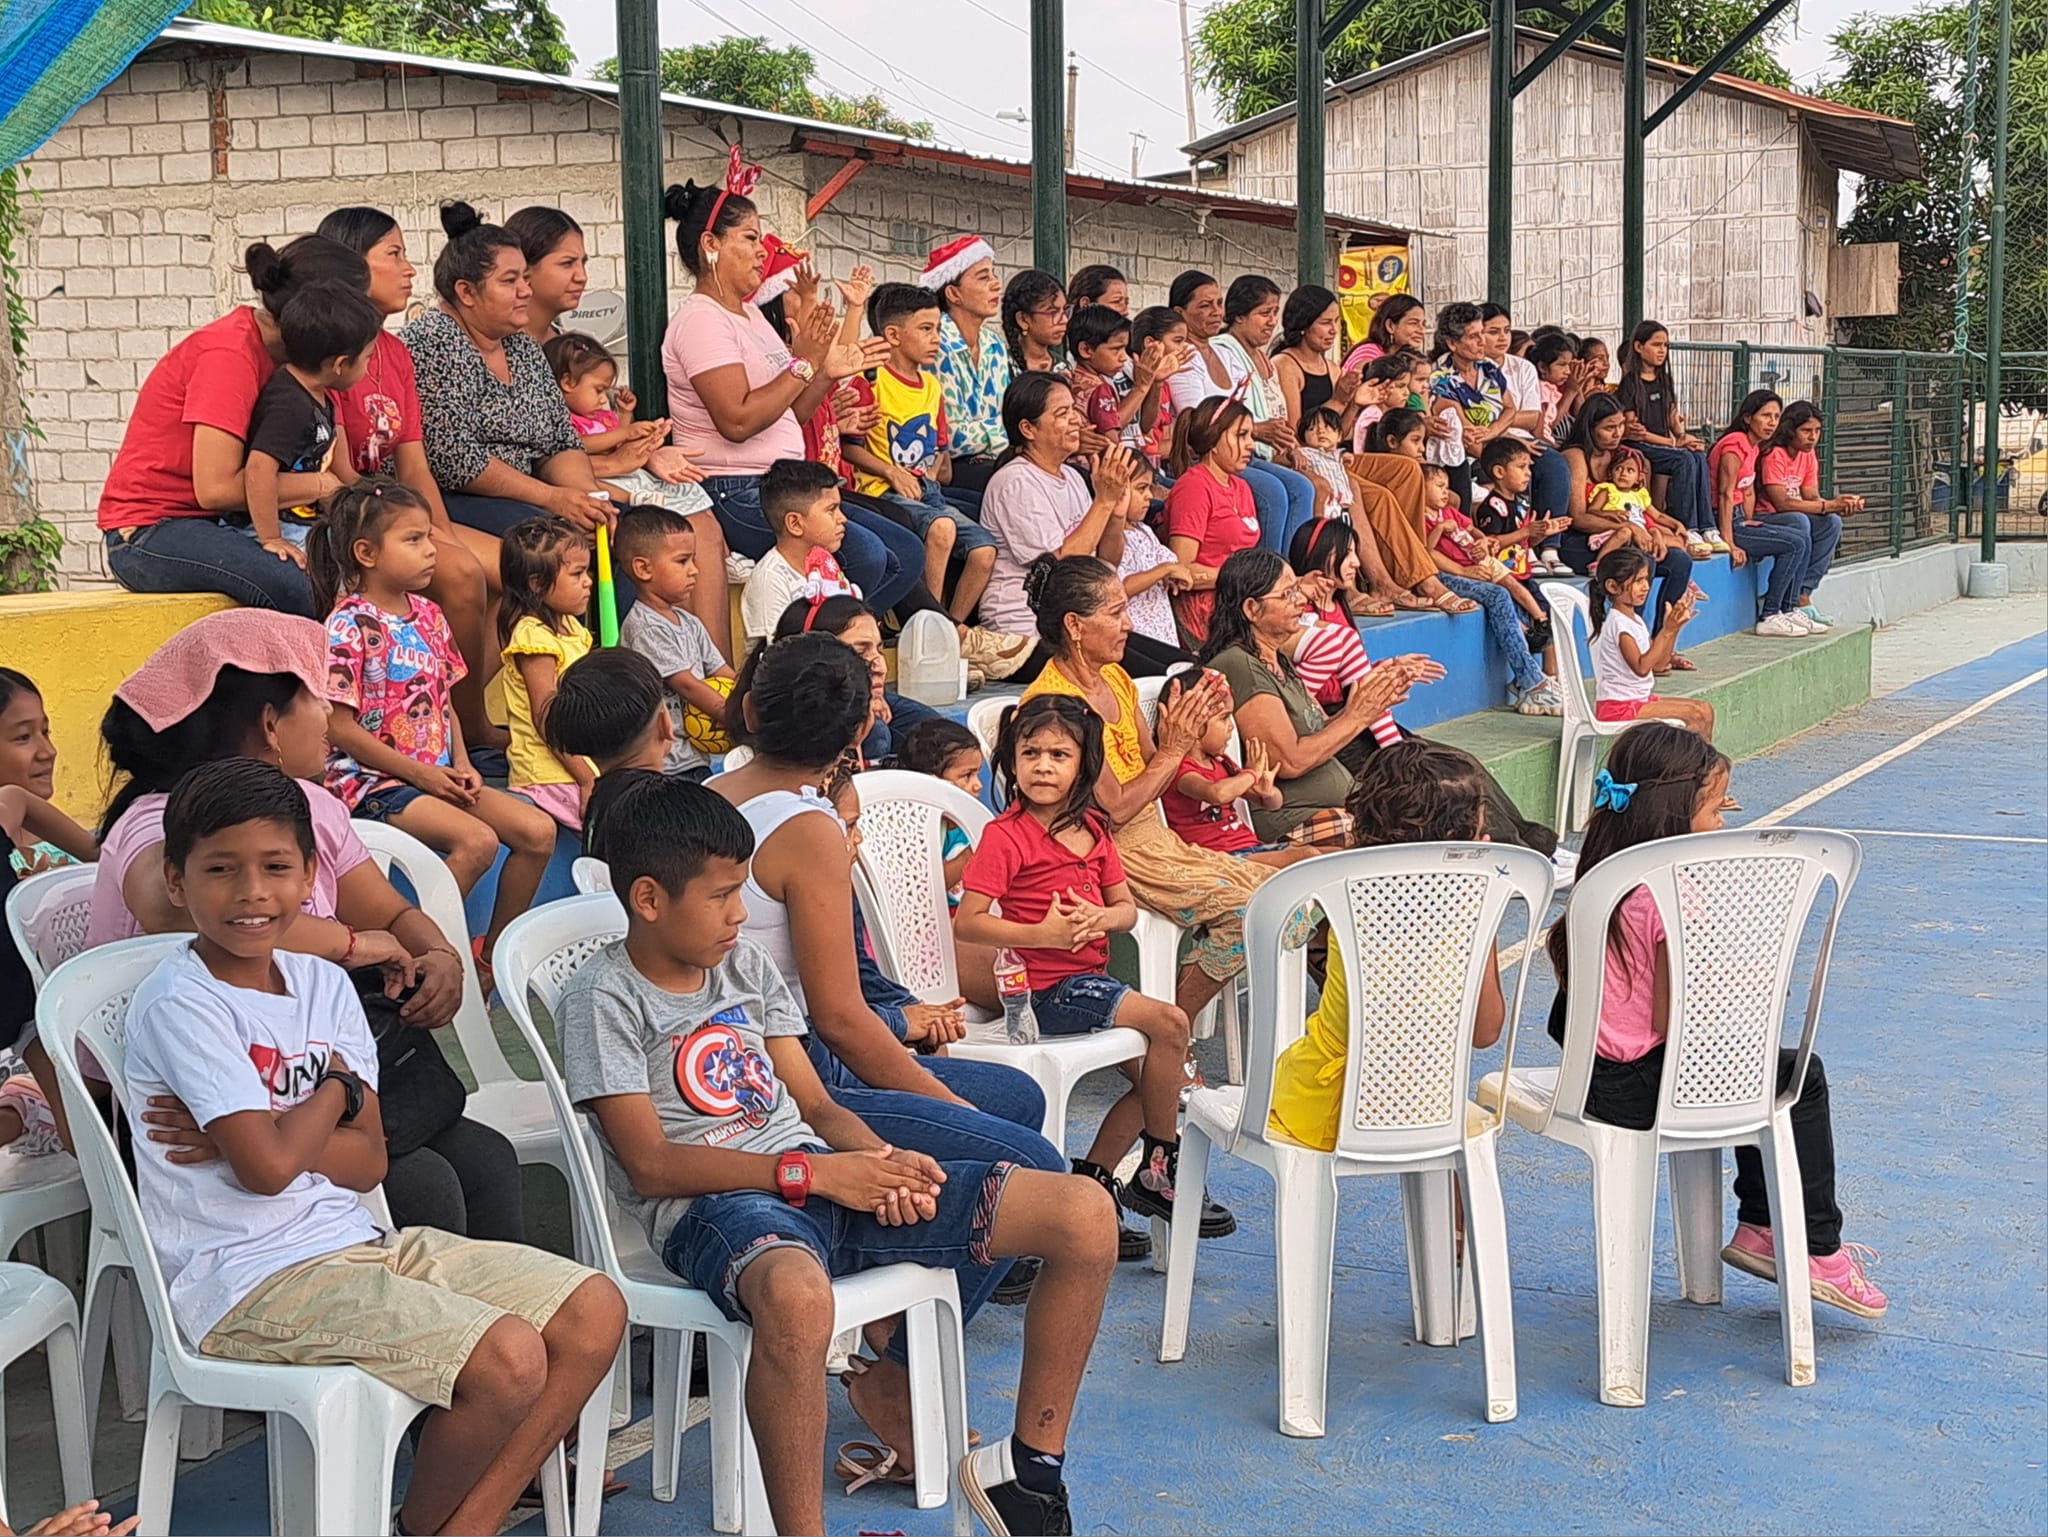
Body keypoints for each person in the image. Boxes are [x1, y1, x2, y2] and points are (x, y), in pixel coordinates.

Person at [558, 772, 1114, 1536]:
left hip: (818, 1172)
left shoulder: (743, 967)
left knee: (1082, 1211)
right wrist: (816, 1172)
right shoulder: (603, 998)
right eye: (721, 896)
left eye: (741, 890)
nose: (740, 913)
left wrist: (884, 1162)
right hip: (721, 1207)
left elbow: (817, 1105)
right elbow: (650, 1164)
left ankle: (1029, 1472)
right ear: (649, 898)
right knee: (797, 1296)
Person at [123, 757, 625, 1537]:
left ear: (309, 876)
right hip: (242, 1280)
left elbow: (368, 1161)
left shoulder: (323, 985)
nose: (251, 891)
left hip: (352, 1241)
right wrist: (335, 1093)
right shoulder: (183, 1003)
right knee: (509, 1358)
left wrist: (274, 1127)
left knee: (594, 1307)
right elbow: (267, 1171)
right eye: (220, 869)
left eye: (275, 867)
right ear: (176, 880)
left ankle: (452, 1526)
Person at [87, 608, 510, 1237]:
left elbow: (392, 911)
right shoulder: (159, 822)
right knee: (422, 1185)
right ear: (270, 726)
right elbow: (177, 909)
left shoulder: (309, 805)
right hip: (195, 1108)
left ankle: (488, 1303)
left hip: (304, 1079)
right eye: (320, 699)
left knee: (487, 1161)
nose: (334, 719)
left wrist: (439, 956)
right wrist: (351, 945)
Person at [1544, 723, 1885, 1317]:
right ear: (1673, 813)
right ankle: (1815, 1247)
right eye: (1714, 809)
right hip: (1641, 1088)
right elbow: (1675, 1015)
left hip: (1594, 1074)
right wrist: (1747, 989)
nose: (1721, 823)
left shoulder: (1606, 876)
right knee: (1798, 1077)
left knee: (1760, 1066)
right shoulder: (1669, 894)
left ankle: (1761, 1225)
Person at [711, 636, 1068, 1173]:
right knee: (1032, 1156)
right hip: (788, 1070)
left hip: (735, 1054)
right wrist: (954, 1108)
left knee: (1018, 1096)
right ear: (859, 730)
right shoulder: (809, 829)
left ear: (750, 711)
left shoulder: (710, 793)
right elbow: (840, 1021)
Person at [1019, 556, 1295, 1100]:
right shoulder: (1056, 707)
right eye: (1116, 613)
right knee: (1251, 912)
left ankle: (1162, 1032)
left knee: (1287, 897)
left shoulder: (1115, 678)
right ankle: (1166, 1035)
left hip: (1158, 837)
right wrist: (1174, 748)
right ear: (1075, 626)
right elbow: (1115, 810)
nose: (1129, 625)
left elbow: (1154, 767)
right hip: (1107, 850)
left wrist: (1181, 747)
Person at [955, 696, 1201, 1228]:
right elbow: (968, 922)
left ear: (1083, 765)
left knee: (1160, 1080)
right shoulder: (1007, 836)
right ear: (1012, 762)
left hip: (1088, 982)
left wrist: (1101, 917)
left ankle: (1096, 1177)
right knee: (1171, 1023)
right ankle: (1162, 1169)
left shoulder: (1094, 829)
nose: (1043, 766)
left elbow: (1126, 910)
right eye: (1030, 753)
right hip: (1043, 991)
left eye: (1059, 755)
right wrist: (1038, 934)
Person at [657, 174, 927, 615]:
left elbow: (791, 413)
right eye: (750, 237)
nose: (763, 250)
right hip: (735, 490)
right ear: (711, 244)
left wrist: (824, 373)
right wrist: (802, 363)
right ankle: (818, 639)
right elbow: (738, 422)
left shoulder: (750, 317)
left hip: (783, 485)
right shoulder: (702, 320)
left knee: (907, 553)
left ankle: (834, 636)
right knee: (868, 555)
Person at [312, 480, 557, 961]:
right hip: (372, 782)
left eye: (429, 537)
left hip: (437, 775)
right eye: (413, 539)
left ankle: (489, 961)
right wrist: (422, 774)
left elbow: (442, 701)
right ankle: (411, 957)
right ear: (366, 553)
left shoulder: (429, 615)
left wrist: (462, 763)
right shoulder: (346, 624)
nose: (431, 551)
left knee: (538, 833)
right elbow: (338, 728)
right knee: (477, 841)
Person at [98, 235, 369, 615]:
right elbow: (216, 489)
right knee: (304, 587)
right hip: (153, 530)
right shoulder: (229, 355)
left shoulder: (308, 369)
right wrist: (321, 486)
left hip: (226, 522)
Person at [1266, 741, 1508, 1150]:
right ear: (1470, 839)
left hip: (1326, 1105)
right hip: (1429, 1104)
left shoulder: (1342, 890)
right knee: (1457, 1150)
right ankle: (1452, 1196)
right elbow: (1485, 1032)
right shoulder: (1476, 904)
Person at [314, 208, 497, 738]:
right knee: (462, 575)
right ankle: (465, 724)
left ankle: (455, 709)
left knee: (523, 570)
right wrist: (431, 540)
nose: (410, 269)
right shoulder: (332, 349)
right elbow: (339, 472)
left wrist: (441, 532)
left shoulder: (394, 350)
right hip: (355, 513)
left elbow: (413, 461)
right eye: (393, 254)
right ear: (352, 264)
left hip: (397, 506)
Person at [403, 203, 624, 545]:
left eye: (525, 278)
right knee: (555, 546)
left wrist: (588, 499)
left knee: (629, 531)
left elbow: (561, 442)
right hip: (457, 500)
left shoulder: (523, 347)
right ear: (466, 292)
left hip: (530, 496)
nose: (526, 291)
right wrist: (553, 499)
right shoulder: (432, 342)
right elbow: (455, 460)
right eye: (510, 281)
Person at [1196, 550, 1423, 844]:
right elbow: (1289, 761)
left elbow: (1318, 731)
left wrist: (1366, 703)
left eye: (1297, 590)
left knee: (1433, 789)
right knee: (1399, 823)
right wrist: (1357, 717)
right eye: (1288, 594)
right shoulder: (1239, 665)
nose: (1301, 600)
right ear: (1252, 609)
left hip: (1333, 807)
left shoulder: (1277, 660)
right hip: (1289, 818)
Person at [979, 379, 1192, 680]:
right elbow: (1060, 569)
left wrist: (1115, 514)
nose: (1076, 421)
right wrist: (1103, 501)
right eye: (1062, 413)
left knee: (1184, 666)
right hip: (1028, 631)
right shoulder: (1014, 482)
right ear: (1028, 429)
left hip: (1082, 625)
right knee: (1168, 678)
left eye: (1073, 411)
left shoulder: (1073, 478)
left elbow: (1106, 563)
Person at [843, 284, 1001, 622]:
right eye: (926, 329)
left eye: (938, 329)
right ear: (893, 335)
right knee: (942, 529)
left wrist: (931, 473)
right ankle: (928, 622)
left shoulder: (931, 385)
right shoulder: (872, 381)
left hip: (925, 490)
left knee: (985, 550)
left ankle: (951, 626)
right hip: (882, 490)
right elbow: (848, 448)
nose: (936, 339)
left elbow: (939, 447)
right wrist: (890, 471)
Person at [241, 280, 380, 565]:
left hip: (303, 521)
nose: (368, 368)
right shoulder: (289, 403)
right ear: (340, 364)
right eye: (367, 358)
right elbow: (258, 469)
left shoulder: (318, 394)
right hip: (277, 526)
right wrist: (271, 538)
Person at [1420, 466, 1563, 716]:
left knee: (1518, 593)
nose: (1446, 492)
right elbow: (1425, 553)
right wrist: (1463, 570)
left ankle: (1530, 677)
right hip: (1444, 574)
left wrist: (1483, 542)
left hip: (1473, 564)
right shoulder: (1419, 517)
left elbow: (1472, 531)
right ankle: (1531, 680)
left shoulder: (1449, 511)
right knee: (1498, 594)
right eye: (1439, 487)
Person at [545, 329, 721, 531]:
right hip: (597, 476)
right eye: (598, 390)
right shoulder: (565, 421)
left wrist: (625, 415)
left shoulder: (598, 415)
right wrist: (626, 432)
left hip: (622, 473)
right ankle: (635, 499)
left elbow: (616, 439)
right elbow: (577, 445)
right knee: (595, 487)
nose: (603, 399)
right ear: (567, 382)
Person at [1562, 394, 1696, 654]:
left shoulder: (1621, 457)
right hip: (1585, 542)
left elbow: (1639, 509)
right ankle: (1635, 646)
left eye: (1621, 425)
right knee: (1642, 560)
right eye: (1609, 427)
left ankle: (1661, 646)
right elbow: (1578, 517)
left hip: (1626, 539)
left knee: (1680, 561)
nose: (1617, 433)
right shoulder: (1576, 456)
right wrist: (1631, 530)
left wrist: (1653, 531)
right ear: (1590, 427)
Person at [614, 506, 735, 780]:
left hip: (695, 757)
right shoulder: (645, 627)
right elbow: (686, 684)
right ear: (644, 568)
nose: (694, 571)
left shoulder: (689, 622)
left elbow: (721, 670)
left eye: (693, 560)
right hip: (664, 764)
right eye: (682, 561)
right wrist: (731, 715)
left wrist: (749, 697)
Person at [1208, 277, 1319, 553]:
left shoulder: (1262, 357)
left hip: (1265, 450)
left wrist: (1290, 446)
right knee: (1275, 491)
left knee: (1304, 487)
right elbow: (1225, 413)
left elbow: (1277, 416)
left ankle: (1294, 568)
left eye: (1274, 313)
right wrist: (1259, 432)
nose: (1272, 321)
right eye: (1264, 313)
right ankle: (1269, 571)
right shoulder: (1223, 351)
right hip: (1236, 450)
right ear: (1239, 316)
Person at [497, 518, 595, 831]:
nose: (588, 581)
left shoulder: (570, 626)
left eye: (587, 572)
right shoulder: (534, 638)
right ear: (537, 583)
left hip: (576, 762)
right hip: (549, 774)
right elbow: (546, 717)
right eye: (577, 574)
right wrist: (586, 778)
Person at [1711, 390, 1828, 637]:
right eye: (1765, 416)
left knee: (1801, 536)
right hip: (1723, 519)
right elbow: (1725, 494)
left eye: (1776, 416)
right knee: (1795, 543)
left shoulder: (1753, 446)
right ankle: (1770, 614)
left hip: (1741, 518)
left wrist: (1751, 522)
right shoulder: (1734, 444)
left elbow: (1748, 491)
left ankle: (1789, 608)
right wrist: (1729, 542)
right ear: (1747, 418)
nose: (1772, 422)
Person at [1163, 398, 1263, 644]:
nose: (1251, 444)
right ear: (1213, 439)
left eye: (1251, 436)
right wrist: (1239, 578)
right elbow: (1181, 570)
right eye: (1241, 435)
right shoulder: (1194, 487)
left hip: (1240, 601)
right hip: (1207, 613)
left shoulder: (1241, 487)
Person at [1587, 545, 1714, 737]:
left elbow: (1659, 665)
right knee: (1695, 715)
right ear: (1612, 586)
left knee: (1705, 710)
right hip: (1618, 708)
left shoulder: (1636, 621)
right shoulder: (1618, 624)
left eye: (1646, 579)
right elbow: (1642, 668)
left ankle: (1700, 757)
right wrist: (1666, 631)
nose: (1646, 586)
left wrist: (1673, 629)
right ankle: (1692, 757)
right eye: (1638, 581)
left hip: (1638, 701)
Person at [1615, 321, 1720, 549]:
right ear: (1639, 347)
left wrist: (1684, 437)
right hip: (1642, 445)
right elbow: (1637, 432)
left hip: (1665, 444)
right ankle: (1688, 526)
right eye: (1656, 345)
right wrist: (1674, 443)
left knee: (1698, 456)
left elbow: (1673, 415)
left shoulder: (1665, 380)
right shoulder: (1630, 384)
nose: (1662, 350)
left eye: (1665, 345)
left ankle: (1708, 527)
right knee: (1683, 459)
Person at [739, 458, 864, 644]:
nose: (843, 518)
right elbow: (777, 654)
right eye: (831, 510)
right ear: (795, 524)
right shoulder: (770, 579)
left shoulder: (828, 567)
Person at [1757, 400, 1855, 631]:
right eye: (1806, 431)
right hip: (1766, 517)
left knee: (1831, 522)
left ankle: (1803, 594)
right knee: (1799, 520)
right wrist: (1829, 505)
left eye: (1817, 431)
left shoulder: (1807, 455)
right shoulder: (1774, 454)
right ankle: (1783, 604)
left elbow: (1811, 496)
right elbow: (1782, 503)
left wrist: (1838, 506)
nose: (1813, 437)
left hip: (1793, 517)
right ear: (1790, 430)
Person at [927, 235, 1012, 492]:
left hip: (993, 457)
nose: (996, 284)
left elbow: (1009, 414)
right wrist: (1003, 433)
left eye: (993, 275)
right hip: (952, 466)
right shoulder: (936, 344)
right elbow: (954, 437)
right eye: (984, 277)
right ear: (953, 294)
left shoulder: (993, 344)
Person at [1480, 302, 1573, 522]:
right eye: (1493, 332)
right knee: (1516, 468)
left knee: (1555, 464)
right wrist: (1506, 425)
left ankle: (1551, 539)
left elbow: (1532, 418)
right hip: (1488, 440)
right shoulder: (1473, 367)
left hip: (1525, 439)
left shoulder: (1523, 367)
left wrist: (1496, 419)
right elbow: (1473, 419)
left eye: (1506, 331)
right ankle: (1519, 534)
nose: (1502, 338)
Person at [1160, 696, 1284, 856]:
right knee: (1307, 855)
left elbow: (1274, 804)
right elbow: (1216, 794)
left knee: (1313, 854)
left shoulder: (1221, 762)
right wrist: (1252, 774)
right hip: (1218, 858)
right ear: (1195, 725)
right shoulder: (1179, 769)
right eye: (1224, 718)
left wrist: (1267, 793)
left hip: (1248, 847)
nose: (1231, 726)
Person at [894, 718, 985, 907]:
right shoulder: (916, 832)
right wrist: (970, 855)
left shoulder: (966, 822)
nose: (978, 785)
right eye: (967, 775)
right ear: (932, 782)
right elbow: (924, 890)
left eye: (977, 773)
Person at [1429, 302, 1510, 512]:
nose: (1482, 341)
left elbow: (1510, 409)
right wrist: (1505, 459)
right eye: (1474, 336)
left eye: (1482, 333)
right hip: (1469, 456)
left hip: (1497, 442)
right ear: (1452, 343)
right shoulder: (1441, 378)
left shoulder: (1489, 368)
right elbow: (1468, 438)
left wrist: (1493, 431)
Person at [1066, 305, 1169, 466]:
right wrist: (1141, 387)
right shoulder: (1099, 389)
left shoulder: (1071, 378)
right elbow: (1112, 438)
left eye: (1124, 349)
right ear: (1086, 349)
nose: (1123, 357)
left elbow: (1144, 424)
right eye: (1116, 349)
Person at [1110, 457, 1195, 651]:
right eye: (1141, 488)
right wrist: (1164, 571)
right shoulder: (1111, 538)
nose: (1149, 496)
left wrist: (1174, 576)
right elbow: (1121, 588)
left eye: (1149, 488)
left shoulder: (1144, 530)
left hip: (1163, 633)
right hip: (1136, 637)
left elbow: (1172, 564)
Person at [1272, 285, 1368, 448]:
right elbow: (1296, 432)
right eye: (1325, 323)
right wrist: (1338, 400)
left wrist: (1354, 404)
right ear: (1304, 325)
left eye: (1336, 322)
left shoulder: (1332, 368)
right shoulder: (1285, 365)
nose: (1334, 330)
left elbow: (1338, 435)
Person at [1471, 436, 1573, 581]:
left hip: (1523, 573)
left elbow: (1522, 543)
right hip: (1501, 578)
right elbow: (1490, 543)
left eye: (1529, 467)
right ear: (1499, 472)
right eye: (1521, 467)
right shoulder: (1492, 506)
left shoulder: (1522, 503)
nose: (1528, 473)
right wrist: (1526, 531)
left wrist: (1541, 534)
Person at [1121, 306, 1195, 466]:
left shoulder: (1164, 381)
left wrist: (1158, 383)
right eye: (1177, 341)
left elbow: (1150, 427)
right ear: (1150, 343)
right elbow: (1144, 436)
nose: (1183, 348)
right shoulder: (1126, 375)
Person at [1163, 270, 1233, 414]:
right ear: (1179, 312)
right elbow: (1196, 417)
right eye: (1205, 305)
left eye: (1219, 303)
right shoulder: (1181, 357)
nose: (1217, 312)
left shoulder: (1226, 354)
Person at [1000, 269, 1070, 375]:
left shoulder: (1063, 368)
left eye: (1064, 310)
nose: (1064, 320)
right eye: (1053, 312)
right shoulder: (1001, 366)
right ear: (1023, 320)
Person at [1340, 292, 1427, 374]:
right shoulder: (1369, 355)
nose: (1422, 330)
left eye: (1423, 324)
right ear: (1390, 326)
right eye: (1413, 323)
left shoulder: (1399, 357)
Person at [1296, 407, 1353, 518]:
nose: (1321, 431)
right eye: (1312, 428)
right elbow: (1281, 458)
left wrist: (1344, 456)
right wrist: (1294, 454)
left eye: (1327, 427)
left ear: (1339, 436)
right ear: (1303, 437)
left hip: (1342, 507)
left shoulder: (1337, 455)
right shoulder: (1305, 453)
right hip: (1323, 506)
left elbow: (1339, 455)